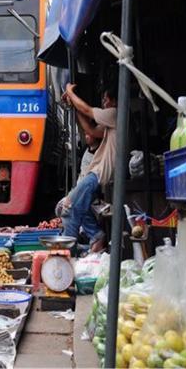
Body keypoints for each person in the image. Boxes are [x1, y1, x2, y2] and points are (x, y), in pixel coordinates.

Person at [61, 83, 118, 253]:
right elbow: (91, 130)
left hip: (100, 174)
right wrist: (74, 106)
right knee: (78, 204)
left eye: (106, 99)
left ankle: (66, 252)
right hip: (98, 173)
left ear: (114, 101)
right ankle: (96, 236)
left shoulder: (115, 114)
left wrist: (70, 93)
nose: (103, 103)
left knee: (69, 207)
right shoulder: (112, 123)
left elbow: (88, 110)